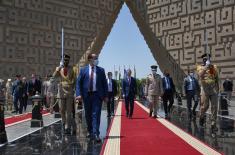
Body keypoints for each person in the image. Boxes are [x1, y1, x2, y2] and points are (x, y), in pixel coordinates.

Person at [76, 53, 108, 142]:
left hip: (97, 96)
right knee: (88, 115)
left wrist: (105, 96)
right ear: (90, 59)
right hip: (86, 96)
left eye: (97, 58)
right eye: (95, 58)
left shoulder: (101, 70)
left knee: (96, 114)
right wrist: (78, 94)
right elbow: (78, 83)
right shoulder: (83, 70)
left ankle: (96, 133)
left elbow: (104, 84)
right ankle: (90, 131)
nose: (97, 60)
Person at [53, 54, 77, 135]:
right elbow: (54, 76)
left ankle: (67, 126)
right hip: (61, 92)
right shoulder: (59, 69)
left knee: (69, 111)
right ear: (62, 60)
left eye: (67, 60)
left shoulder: (73, 69)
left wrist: (72, 89)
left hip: (69, 92)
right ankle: (63, 122)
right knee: (62, 110)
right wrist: (58, 68)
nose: (66, 61)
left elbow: (74, 80)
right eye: (64, 60)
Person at [197, 53, 219, 132]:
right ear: (202, 59)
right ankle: (201, 117)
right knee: (204, 106)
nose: (206, 60)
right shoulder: (200, 67)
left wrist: (218, 89)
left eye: (208, 59)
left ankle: (213, 124)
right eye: (205, 59)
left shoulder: (213, 67)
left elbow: (216, 78)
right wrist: (206, 66)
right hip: (204, 89)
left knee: (214, 107)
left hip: (213, 89)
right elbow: (200, 75)